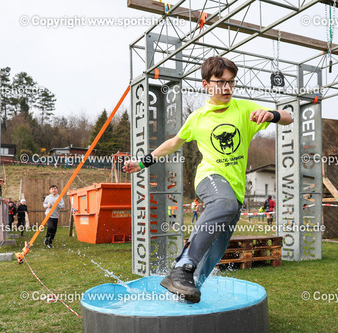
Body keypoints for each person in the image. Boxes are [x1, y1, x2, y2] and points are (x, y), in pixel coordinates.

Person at [123, 56, 293, 303]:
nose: (227, 88)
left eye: (231, 82)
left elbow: (288, 117)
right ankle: (182, 267)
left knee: (217, 248)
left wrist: (271, 114)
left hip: (235, 189)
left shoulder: (244, 110)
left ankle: (187, 288)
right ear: (206, 84)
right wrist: (142, 163)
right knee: (225, 204)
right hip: (209, 177)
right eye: (220, 82)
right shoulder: (197, 118)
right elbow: (173, 143)